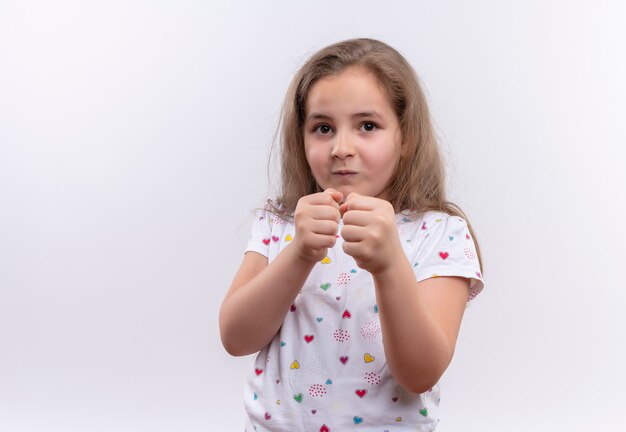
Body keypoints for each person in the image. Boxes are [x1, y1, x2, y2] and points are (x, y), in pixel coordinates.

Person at [219, 38, 485, 431]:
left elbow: (421, 373)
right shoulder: (280, 223)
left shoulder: (440, 233)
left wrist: (391, 264)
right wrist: (299, 254)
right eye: (323, 127)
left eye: (367, 126)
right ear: (302, 137)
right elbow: (235, 337)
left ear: (406, 137)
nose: (341, 148)